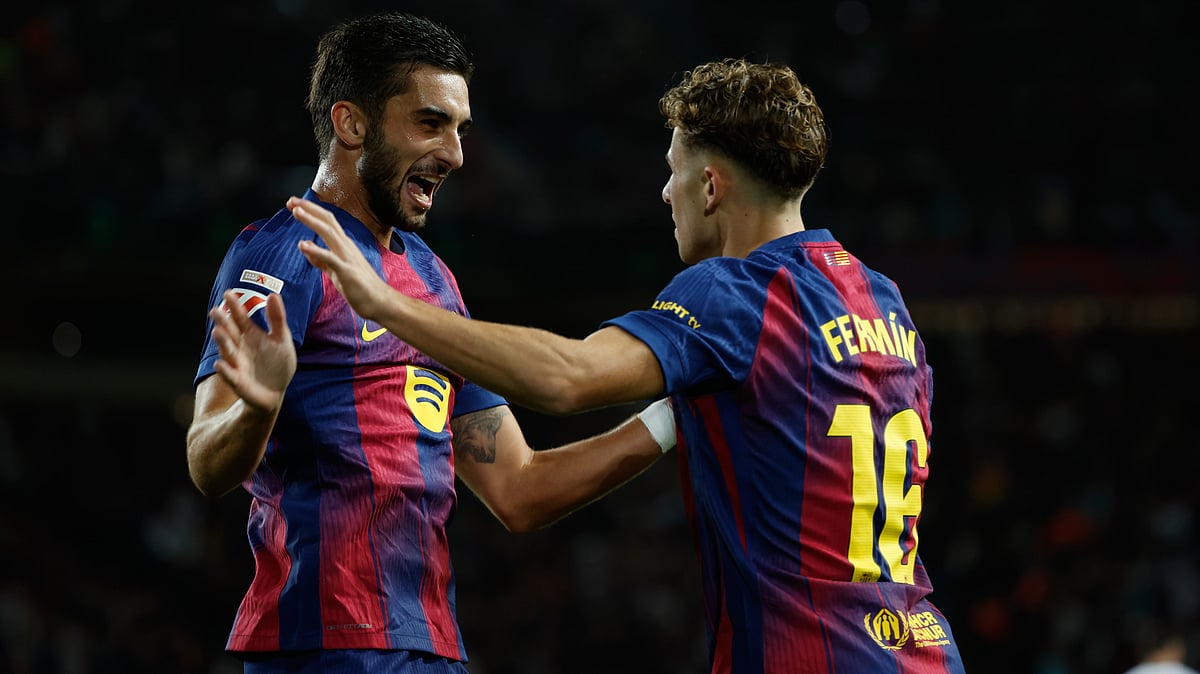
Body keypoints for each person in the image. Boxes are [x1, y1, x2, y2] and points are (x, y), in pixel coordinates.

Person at [290, 58, 967, 672]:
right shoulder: (883, 300)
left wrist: (384, 302)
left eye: (672, 172)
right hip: (922, 648)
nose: (665, 194)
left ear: (709, 186)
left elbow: (568, 378)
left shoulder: (732, 291)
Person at [186, 11, 675, 673]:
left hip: (431, 649)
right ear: (351, 123)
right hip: (323, 646)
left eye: (460, 129)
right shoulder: (287, 254)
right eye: (429, 122)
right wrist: (258, 405)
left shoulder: (433, 281)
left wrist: (674, 418)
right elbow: (206, 463)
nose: (455, 153)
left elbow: (520, 489)